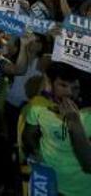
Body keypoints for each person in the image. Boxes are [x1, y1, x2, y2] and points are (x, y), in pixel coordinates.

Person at [23, 63, 91, 196]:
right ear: (51, 83)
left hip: (80, 189)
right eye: (63, 85)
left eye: (75, 87)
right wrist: (37, 154)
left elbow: (89, 165)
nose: (69, 93)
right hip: (45, 184)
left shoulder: (88, 114)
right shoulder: (38, 106)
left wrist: (74, 122)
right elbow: (28, 136)